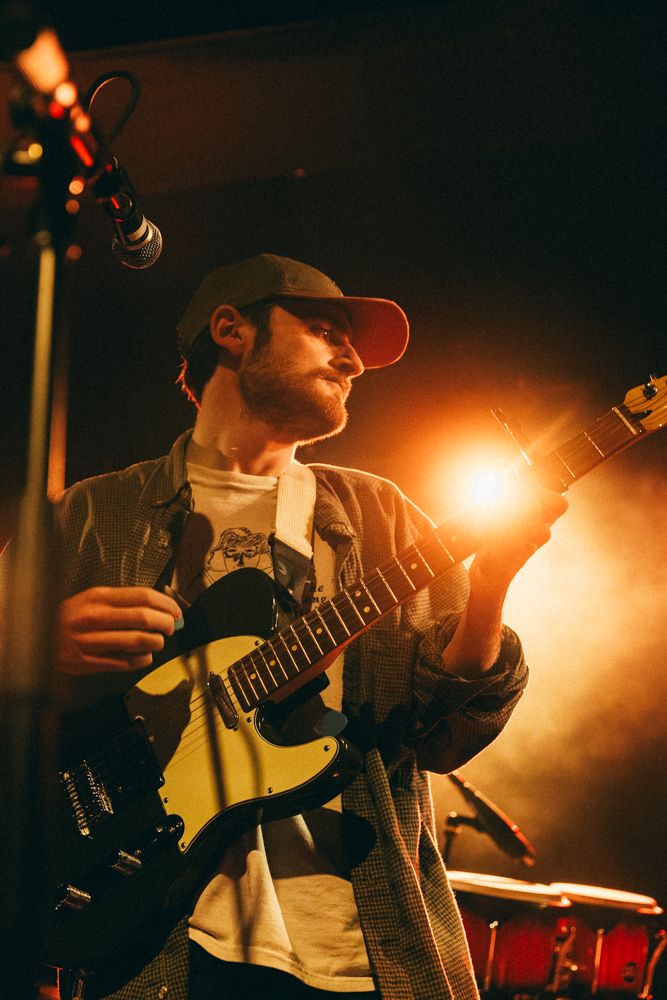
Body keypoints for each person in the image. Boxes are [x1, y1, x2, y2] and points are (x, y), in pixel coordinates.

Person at [52, 254, 567, 1000]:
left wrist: (489, 587)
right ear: (231, 330)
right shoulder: (95, 513)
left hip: (358, 947)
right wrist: (31, 649)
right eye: (325, 330)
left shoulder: (381, 517)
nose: (353, 360)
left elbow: (445, 734)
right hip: (152, 940)